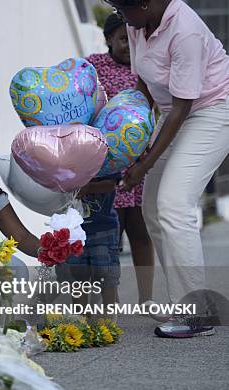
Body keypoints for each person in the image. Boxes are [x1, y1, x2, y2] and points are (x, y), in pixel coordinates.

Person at [107, 0, 229, 338]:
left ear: (144, 4)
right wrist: (128, 138)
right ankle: (183, 303)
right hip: (173, 112)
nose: (118, 15)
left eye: (121, 8)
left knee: (174, 204)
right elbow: (143, 85)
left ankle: (199, 312)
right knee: (152, 209)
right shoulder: (137, 24)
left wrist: (144, 165)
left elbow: (182, 106)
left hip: (213, 110)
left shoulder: (184, 30)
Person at [86, 13, 155, 307]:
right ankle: (107, 301)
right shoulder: (94, 65)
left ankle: (146, 298)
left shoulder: (149, 66)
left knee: (140, 231)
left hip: (140, 160)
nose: (128, 45)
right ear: (109, 40)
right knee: (108, 234)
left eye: (132, 39)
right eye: (122, 39)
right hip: (107, 164)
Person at [55, 174, 122, 319]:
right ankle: (81, 316)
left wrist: (90, 187)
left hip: (103, 226)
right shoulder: (63, 160)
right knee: (77, 274)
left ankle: (109, 315)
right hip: (72, 228)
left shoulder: (106, 156)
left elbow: (112, 183)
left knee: (106, 272)